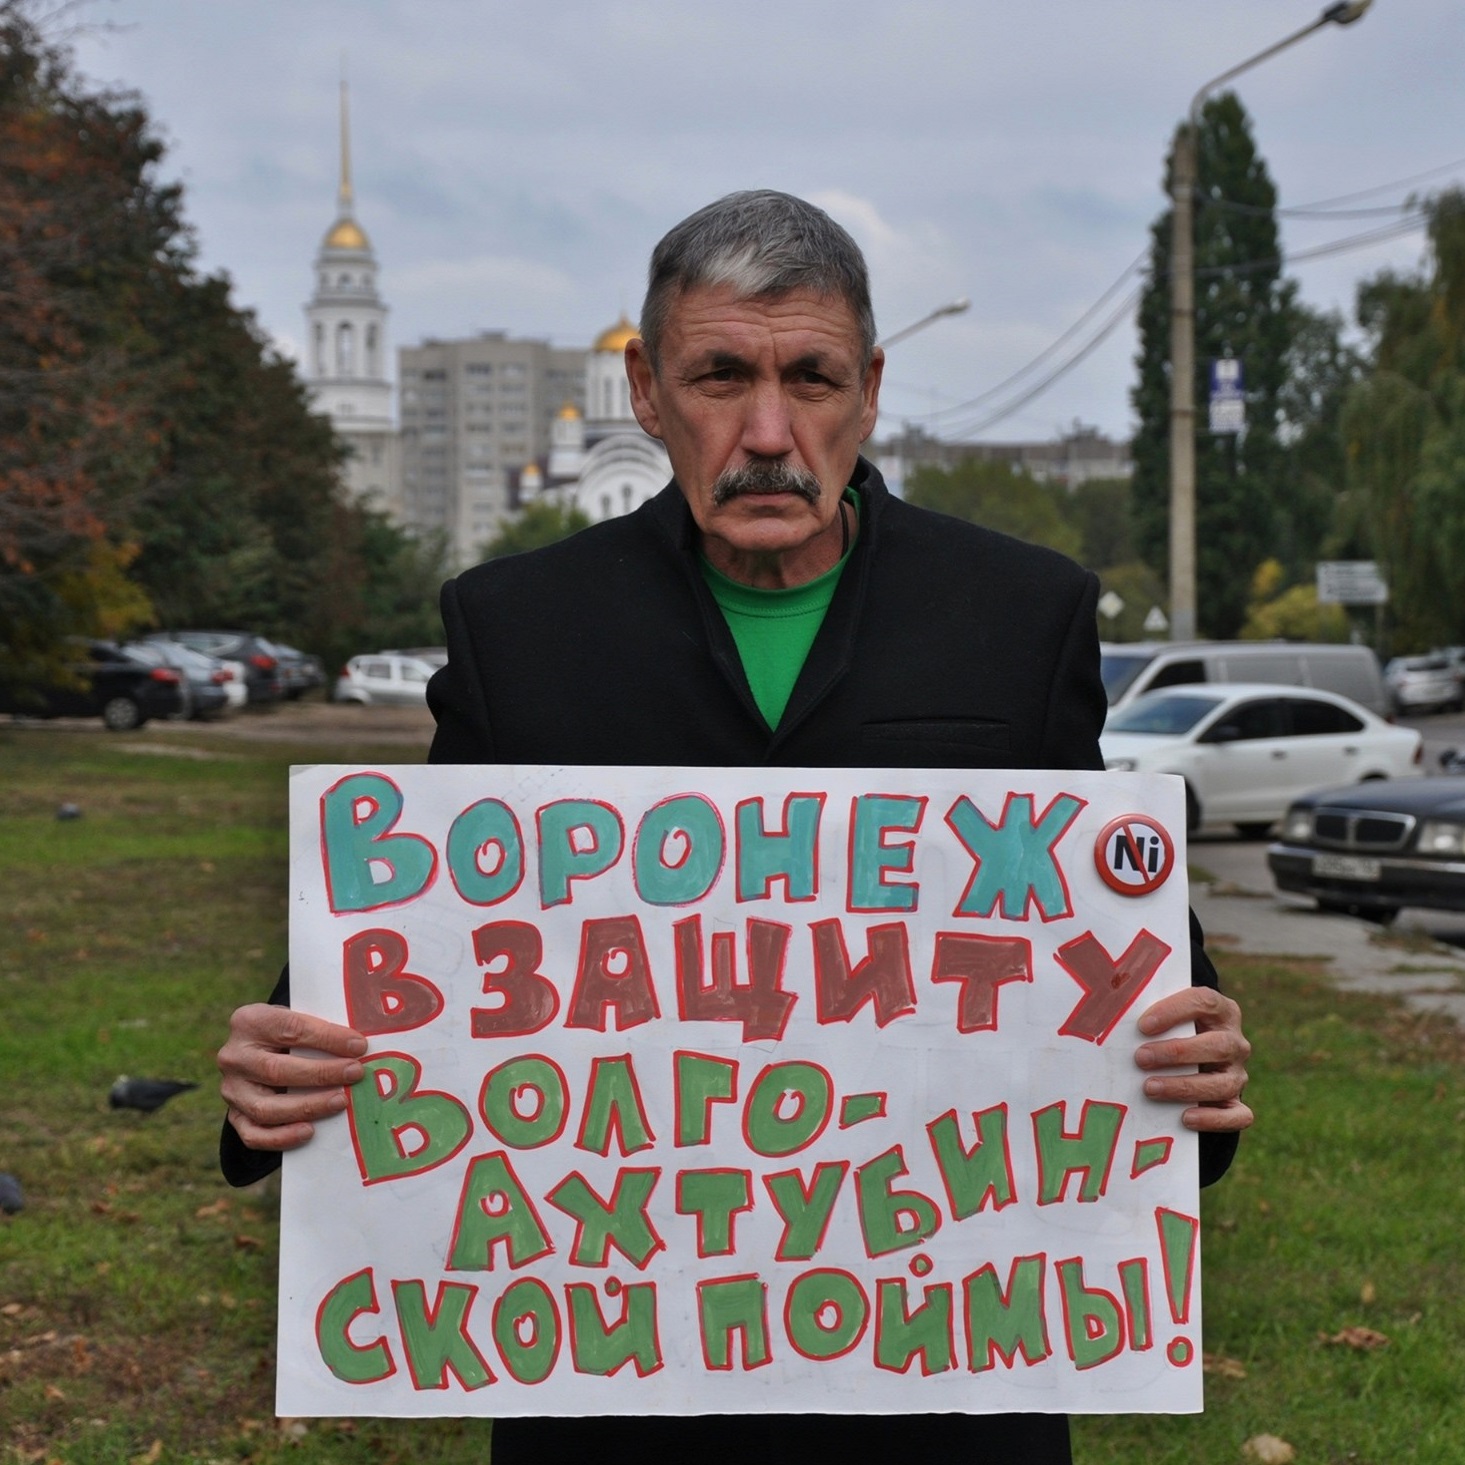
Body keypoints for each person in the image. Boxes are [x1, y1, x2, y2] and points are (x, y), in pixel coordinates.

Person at [218, 190, 1252, 1464]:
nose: (769, 433)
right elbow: (410, 947)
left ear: (867, 391)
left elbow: (1116, 947)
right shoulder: (522, 631)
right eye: (719, 375)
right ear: (647, 393)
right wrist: (275, 1071)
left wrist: (1194, 1056)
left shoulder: (1018, 614)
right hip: (616, 1383)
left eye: (810, 377)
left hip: (945, 1375)